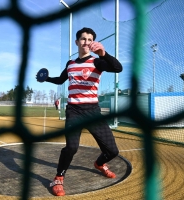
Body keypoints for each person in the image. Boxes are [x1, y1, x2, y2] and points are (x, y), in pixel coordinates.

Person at [39, 27, 123, 196]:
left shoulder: (97, 62)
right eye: (83, 39)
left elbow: (118, 68)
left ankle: (99, 164)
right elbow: (60, 80)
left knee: (113, 151)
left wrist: (103, 53)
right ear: (77, 42)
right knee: (71, 147)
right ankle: (58, 178)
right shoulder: (70, 64)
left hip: (92, 112)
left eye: (90, 39)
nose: (86, 42)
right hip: (74, 111)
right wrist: (46, 78)